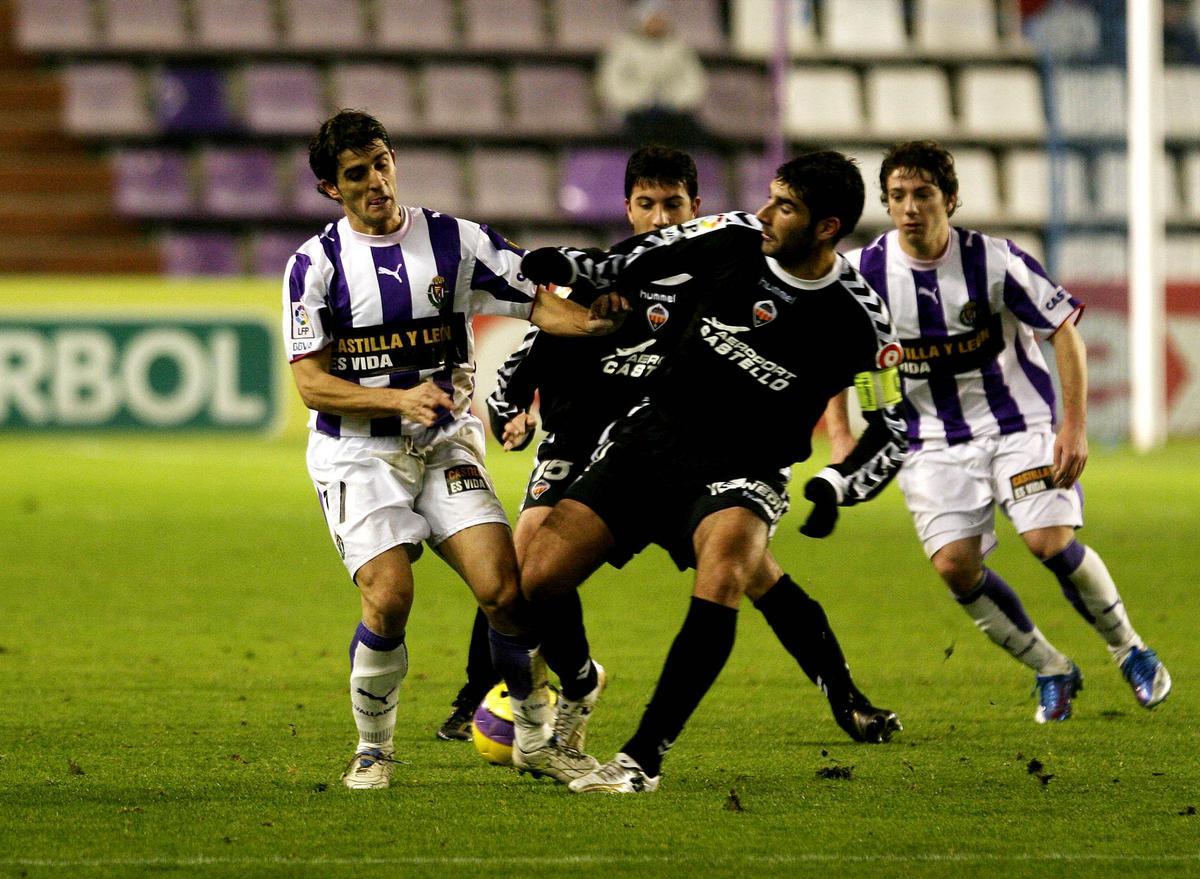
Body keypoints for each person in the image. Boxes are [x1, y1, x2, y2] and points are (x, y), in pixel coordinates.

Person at [435, 146, 902, 752]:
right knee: (526, 568)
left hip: (699, 456)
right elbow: (529, 356)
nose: (659, 218)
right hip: (600, 447)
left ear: (693, 207)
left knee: (752, 572)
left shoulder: (717, 267)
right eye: (646, 205)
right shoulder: (624, 274)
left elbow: (889, 418)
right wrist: (511, 407)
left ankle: (846, 696)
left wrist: (838, 482)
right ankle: (502, 688)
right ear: (627, 207)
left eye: (673, 205)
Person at [283, 110, 626, 789]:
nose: (377, 181)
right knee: (389, 596)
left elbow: (536, 300)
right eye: (358, 174)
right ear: (331, 188)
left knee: (505, 591)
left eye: (382, 162)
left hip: (444, 446)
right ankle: (373, 747)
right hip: (357, 453)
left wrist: (594, 321)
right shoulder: (315, 266)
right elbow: (311, 383)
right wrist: (396, 399)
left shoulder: (454, 241)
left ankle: (536, 740)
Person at [843, 139, 1170, 723]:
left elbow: (1063, 331)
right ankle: (1051, 668)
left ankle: (1131, 650)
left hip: (1019, 423)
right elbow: (840, 356)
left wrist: (1073, 425)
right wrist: (844, 439)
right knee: (953, 567)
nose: (910, 207)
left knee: (1048, 540)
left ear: (951, 198)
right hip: (932, 441)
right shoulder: (865, 273)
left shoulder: (994, 260)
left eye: (923, 194)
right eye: (897, 197)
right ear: (886, 204)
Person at [596, 0, 709, 148]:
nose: (657, 23)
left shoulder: (679, 47)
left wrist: (675, 101)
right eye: (652, 19)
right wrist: (639, 101)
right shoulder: (622, 47)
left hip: (674, 112)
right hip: (634, 112)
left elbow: (694, 82)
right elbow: (611, 83)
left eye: (660, 19)